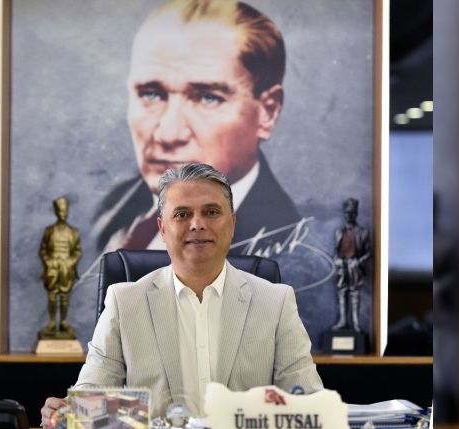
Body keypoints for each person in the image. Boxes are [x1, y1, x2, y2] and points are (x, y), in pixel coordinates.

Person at [41, 163, 322, 425]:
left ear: (232, 223)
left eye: (211, 212)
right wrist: (68, 412)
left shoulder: (275, 302)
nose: (197, 224)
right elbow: (93, 396)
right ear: (162, 228)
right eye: (182, 214)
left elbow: (306, 403)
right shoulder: (124, 302)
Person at [91, 0, 302, 255]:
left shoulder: (291, 248)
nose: (168, 134)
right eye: (151, 94)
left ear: (268, 112)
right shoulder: (112, 211)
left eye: (208, 98)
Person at [38, 197, 83, 335]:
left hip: (66, 268)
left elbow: (77, 251)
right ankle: (52, 322)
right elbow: (43, 250)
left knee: (65, 296)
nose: (63, 213)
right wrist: (48, 262)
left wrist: (71, 262)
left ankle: (63, 322)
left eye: (65, 211)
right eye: (61, 211)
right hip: (52, 268)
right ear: (56, 212)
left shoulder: (74, 232)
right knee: (52, 295)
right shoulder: (49, 231)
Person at [331, 198, 371, 332]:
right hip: (342, 266)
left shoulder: (363, 232)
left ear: (356, 213)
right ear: (344, 213)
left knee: (355, 294)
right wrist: (337, 260)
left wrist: (358, 262)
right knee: (342, 293)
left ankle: (355, 323)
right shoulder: (339, 232)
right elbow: (336, 251)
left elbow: (368, 253)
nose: (350, 215)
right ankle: (343, 321)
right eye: (347, 212)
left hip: (354, 266)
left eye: (352, 212)